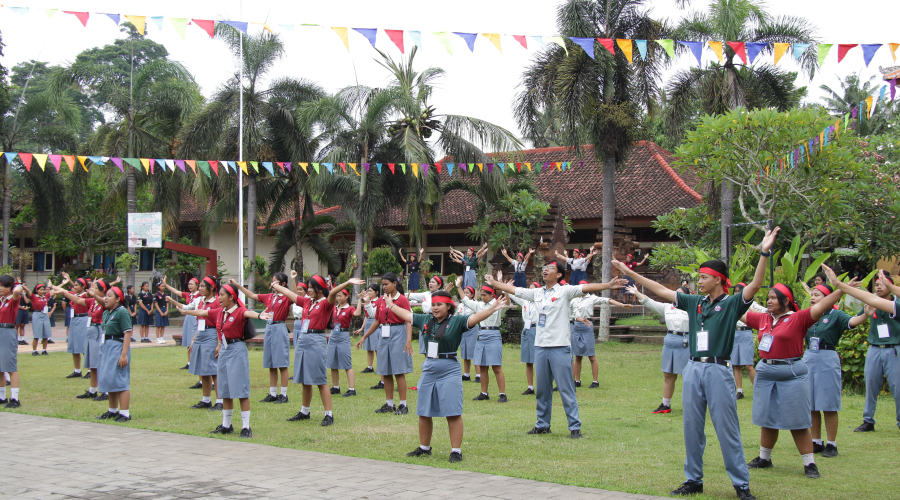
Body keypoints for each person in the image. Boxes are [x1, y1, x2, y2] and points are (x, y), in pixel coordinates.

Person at [612, 227, 779, 500]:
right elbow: (659, 290)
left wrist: (764, 251)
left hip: (717, 369)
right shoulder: (695, 302)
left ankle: (741, 485)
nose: (698, 281)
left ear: (718, 280)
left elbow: (757, 284)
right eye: (699, 277)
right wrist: (628, 272)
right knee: (691, 427)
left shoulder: (733, 304)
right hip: (693, 368)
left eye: (703, 277)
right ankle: (693, 480)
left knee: (727, 429)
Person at [484, 263, 627, 439]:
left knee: (566, 389)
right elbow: (514, 290)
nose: (545, 270)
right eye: (543, 267)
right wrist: (494, 283)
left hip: (560, 347)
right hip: (541, 347)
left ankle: (574, 427)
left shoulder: (565, 291)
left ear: (559, 274)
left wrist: (608, 285)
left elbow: (587, 287)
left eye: (550, 268)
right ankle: (542, 424)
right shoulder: (536, 293)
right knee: (543, 389)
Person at [740, 280, 844, 479]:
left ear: (785, 300)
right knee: (767, 418)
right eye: (768, 298)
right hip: (766, 372)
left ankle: (809, 463)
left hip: (791, 372)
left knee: (798, 420)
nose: (769, 301)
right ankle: (765, 458)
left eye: (773, 298)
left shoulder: (799, 318)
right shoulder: (763, 319)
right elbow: (736, 311)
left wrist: (841, 288)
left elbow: (823, 304)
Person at [391, 290, 510, 463]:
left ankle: (456, 451)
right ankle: (425, 447)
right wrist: (391, 305)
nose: (435, 308)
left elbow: (476, 318)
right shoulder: (425, 320)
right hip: (429, 367)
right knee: (424, 410)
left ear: (449, 306)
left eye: (439, 304)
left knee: (452, 411)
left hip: (450, 368)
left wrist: (492, 309)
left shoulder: (457, 321)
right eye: (433, 304)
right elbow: (407, 315)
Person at [179, 284, 273, 438]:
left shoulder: (239, 311)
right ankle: (226, 425)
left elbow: (248, 313)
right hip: (224, 350)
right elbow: (202, 311)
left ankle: (246, 427)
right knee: (225, 390)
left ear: (231, 297)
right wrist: (185, 311)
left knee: (241, 390)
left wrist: (259, 316)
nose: (219, 298)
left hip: (237, 351)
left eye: (222, 295)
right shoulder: (219, 312)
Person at [272, 275, 365, 426]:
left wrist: (348, 282)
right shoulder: (307, 301)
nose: (308, 290)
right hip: (303, 339)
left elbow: (333, 292)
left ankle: (328, 414)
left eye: (311, 287)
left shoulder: (326, 303)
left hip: (316, 340)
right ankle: (304, 411)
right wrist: (276, 285)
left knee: (320, 379)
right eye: (307, 287)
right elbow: (290, 294)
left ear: (320, 289)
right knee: (304, 379)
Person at [822, 266, 900, 434]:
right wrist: (839, 285)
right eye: (877, 284)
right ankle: (868, 420)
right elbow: (857, 316)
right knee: (871, 384)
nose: (878, 286)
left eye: (883, 284)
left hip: (893, 349)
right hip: (874, 348)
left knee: (897, 387)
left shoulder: (896, 304)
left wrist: (839, 284)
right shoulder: (871, 303)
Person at [802, 282, 867, 457]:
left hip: (826, 358)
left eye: (817, 295)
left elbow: (853, 321)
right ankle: (816, 441)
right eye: (812, 295)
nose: (812, 298)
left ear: (829, 298)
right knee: (812, 403)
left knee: (828, 403)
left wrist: (865, 314)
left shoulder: (836, 315)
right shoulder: (809, 315)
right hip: (809, 358)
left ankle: (832, 443)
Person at [628, 284, 692, 414]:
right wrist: (637, 292)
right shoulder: (667, 307)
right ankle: (665, 404)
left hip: (685, 342)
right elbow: (649, 302)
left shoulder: (691, 308)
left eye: (681, 294)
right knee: (668, 375)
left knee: (688, 376)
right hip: (670, 342)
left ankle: (691, 405)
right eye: (676, 294)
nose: (677, 297)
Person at [357, 272, 415, 415]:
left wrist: (408, 340)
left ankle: (403, 405)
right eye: (382, 285)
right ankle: (389, 404)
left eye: (386, 284)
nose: (384, 287)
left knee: (398, 371)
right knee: (385, 371)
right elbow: (377, 320)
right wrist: (364, 336)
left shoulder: (401, 300)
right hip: (384, 334)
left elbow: (408, 320)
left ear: (395, 283)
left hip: (398, 333)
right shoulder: (382, 300)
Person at [229, 274, 293, 405]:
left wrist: (293, 279)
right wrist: (237, 285)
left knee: (281, 362)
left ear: (283, 284)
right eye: (272, 281)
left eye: (276, 282)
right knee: (271, 363)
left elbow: (296, 295)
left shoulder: (286, 297)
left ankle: (284, 394)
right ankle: (273, 393)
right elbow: (252, 295)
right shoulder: (270, 297)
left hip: (279, 326)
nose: (272, 284)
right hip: (269, 327)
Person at [52, 277, 115, 400]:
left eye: (96, 288)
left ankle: (106, 391)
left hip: (99, 331)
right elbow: (77, 299)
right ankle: (92, 390)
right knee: (92, 363)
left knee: (100, 362)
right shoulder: (93, 301)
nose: (92, 289)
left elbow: (104, 303)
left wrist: (95, 296)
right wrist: (64, 292)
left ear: (103, 291)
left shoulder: (105, 302)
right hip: (91, 331)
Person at [166, 276, 223, 410]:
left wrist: (219, 343)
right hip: (201, 334)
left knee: (213, 368)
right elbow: (199, 321)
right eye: (201, 286)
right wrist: (194, 339)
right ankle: (206, 400)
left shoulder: (216, 302)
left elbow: (219, 324)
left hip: (212, 334)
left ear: (212, 288)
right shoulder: (200, 301)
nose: (201, 289)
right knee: (203, 369)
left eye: (204, 286)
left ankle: (220, 401)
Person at [457, 275, 509, 402]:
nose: (482, 297)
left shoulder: (497, 304)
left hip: (494, 334)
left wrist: (504, 288)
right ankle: (484, 393)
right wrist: (458, 286)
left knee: (496, 366)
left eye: (485, 294)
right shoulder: (479, 305)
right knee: (483, 366)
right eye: (481, 294)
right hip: (482, 335)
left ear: (492, 295)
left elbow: (507, 303)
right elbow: (465, 300)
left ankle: (502, 394)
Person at [571, 281, 630, 388]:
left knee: (591, 355)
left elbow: (607, 300)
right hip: (577, 326)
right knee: (578, 356)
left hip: (587, 325)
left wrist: (621, 305)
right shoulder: (574, 299)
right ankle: (577, 381)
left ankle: (595, 381)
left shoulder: (591, 298)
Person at [95, 285, 134, 423]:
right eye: (106, 295)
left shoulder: (122, 312)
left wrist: (123, 355)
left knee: (120, 379)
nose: (106, 298)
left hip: (118, 347)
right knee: (109, 378)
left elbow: (128, 332)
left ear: (118, 299)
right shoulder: (107, 312)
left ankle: (125, 413)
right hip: (107, 347)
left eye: (109, 296)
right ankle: (112, 410)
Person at [731, 282, 768, 400]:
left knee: (748, 364)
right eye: (735, 292)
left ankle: (758, 389)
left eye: (739, 291)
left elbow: (765, 313)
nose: (737, 294)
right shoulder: (732, 303)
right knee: (736, 364)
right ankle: (739, 390)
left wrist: (749, 307)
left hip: (746, 332)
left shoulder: (752, 303)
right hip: (734, 333)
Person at [161, 276, 201, 370]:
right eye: (189, 284)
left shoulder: (199, 295)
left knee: (193, 339)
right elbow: (176, 292)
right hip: (187, 317)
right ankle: (189, 362)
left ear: (197, 285)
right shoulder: (188, 295)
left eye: (192, 284)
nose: (190, 286)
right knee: (188, 339)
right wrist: (166, 285)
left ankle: (194, 361)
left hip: (194, 316)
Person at [509, 282, 541, 395]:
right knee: (528, 360)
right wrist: (506, 286)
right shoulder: (525, 301)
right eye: (529, 289)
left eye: (532, 290)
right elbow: (513, 294)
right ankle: (530, 387)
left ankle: (542, 386)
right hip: (526, 330)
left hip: (537, 329)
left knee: (539, 360)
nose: (530, 292)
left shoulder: (541, 302)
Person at [57, 276, 90, 379]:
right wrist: (53, 286)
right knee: (74, 346)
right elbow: (63, 291)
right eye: (74, 285)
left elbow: (90, 292)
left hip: (82, 318)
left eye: (77, 285)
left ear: (83, 286)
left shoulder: (86, 295)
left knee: (84, 345)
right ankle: (77, 370)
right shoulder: (75, 294)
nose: (74, 287)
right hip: (74, 319)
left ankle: (89, 370)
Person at [0, 275, 25, 407]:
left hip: (7, 331)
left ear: (10, 286)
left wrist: (18, 284)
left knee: (10, 367)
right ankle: (2, 396)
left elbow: (17, 291)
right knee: (0, 368)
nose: (0, 288)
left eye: (3, 286)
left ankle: (14, 399)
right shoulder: (2, 300)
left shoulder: (14, 299)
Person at [327, 288, 357, 397]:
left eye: (341, 296)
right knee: (332, 362)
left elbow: (357, 313)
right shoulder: (334, 308)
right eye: (337, 296)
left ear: (347, 296)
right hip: (333, 335)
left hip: (343, 335)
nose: (338, 298)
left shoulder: (349, 309)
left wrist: (359, 300)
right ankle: (335, 387)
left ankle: (351, 389)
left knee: (346, 363)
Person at [408, 276, 445, 354]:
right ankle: (427, 363)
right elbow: (411, 295)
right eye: (430, 282)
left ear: (439, 285)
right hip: (425, 319)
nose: (430, 284)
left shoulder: (442, 295)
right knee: (424, 347)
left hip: (435, 319)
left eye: (433, 282)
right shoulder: (426, 294)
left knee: (433, 346)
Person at [353, 284, 382, 382]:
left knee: (377, 347)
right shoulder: (367, 301)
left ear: (377, 292)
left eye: (371, 291)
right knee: (369, 347)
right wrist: (362, 328)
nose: (369, 293)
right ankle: (370, 366)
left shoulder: (379, 301)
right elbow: (366, 315)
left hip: (375, 323)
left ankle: (380, 367)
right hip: (368, 322)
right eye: (368, 290)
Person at [456, 285, 481, 383]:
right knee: (465, 352)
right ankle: (466, 374)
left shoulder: (476, 304)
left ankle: (478, 375)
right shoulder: (460, 305)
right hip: (463, 331)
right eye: (464, 292)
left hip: (473, 330)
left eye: (467, 293)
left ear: (472, 295)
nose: (465, 295)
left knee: (474, 352)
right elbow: (456, 316)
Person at [27, 284, 52, 356]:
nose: (42, 291)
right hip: (37, 314)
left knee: (46, 333)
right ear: (36, 290)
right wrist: (21, 285)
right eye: (40, 290)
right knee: (36, 334)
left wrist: (52, 285)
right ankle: (34, 350)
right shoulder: (34, 297)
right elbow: (28, 291)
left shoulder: (45, 297)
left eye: (43, 290)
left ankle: (44, 350)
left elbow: (54, 291)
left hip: (44, 314)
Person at [15, 279, 30, 345]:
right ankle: (16, 339)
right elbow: (15, 304)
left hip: (25, 310)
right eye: (23, 286)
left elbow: (27, 302)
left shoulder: (25, 294)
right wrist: (22, 308)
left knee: (23, 325)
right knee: (17, 325)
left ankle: (22, 339)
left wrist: (24, 294)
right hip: (19, 310)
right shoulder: (16, 294)